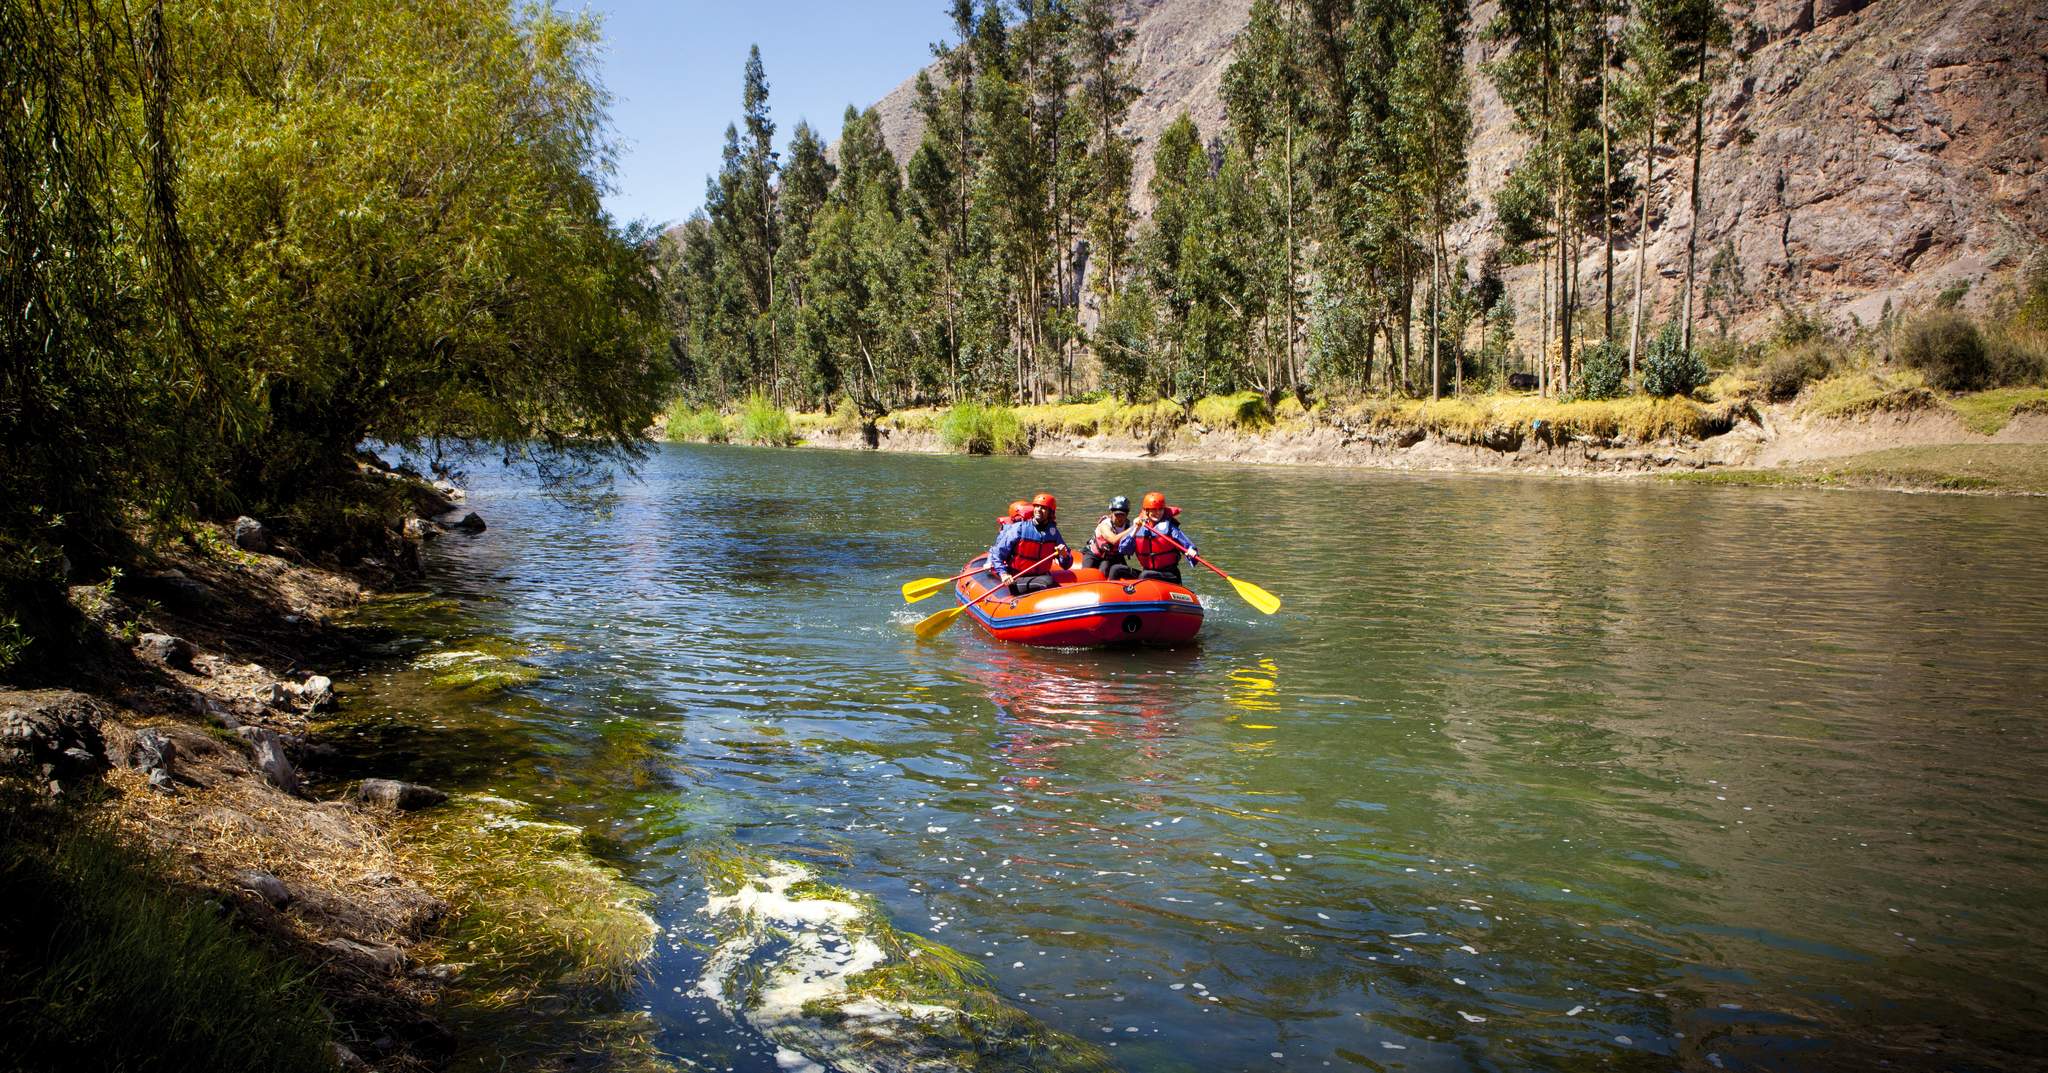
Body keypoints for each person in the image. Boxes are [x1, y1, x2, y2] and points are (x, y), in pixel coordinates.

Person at [991, 492, 1071, 594]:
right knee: (1047, 582)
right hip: (1018, 578)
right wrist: (1003, 574)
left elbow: (1066, 565)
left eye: (1043, 508)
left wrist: (1064, 555)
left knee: (1048, 582)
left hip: (1041, 576)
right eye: (1037, 506)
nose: (1039, 510)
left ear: (1050, 513)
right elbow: (997, 554)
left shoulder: (1053, 533)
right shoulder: (1020, 528)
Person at [1115, 491, 1197, 584]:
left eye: (1160, 509)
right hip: (1148, 573)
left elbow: (1189, 547)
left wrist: (1191, 552)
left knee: (1145, 575)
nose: (1158, 513)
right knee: (1116, 569)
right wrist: (1135, 530)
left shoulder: (1170, 528)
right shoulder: (1138, 527)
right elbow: (1124, 550)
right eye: (1154, 510)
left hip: (1170, 575)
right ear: (1146, 511)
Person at [1082, 495, 1134, 572]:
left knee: (1106, 568)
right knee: (1086, 572)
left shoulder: (1128, 526)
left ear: (1127, 514)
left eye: (1122, 515)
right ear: (1111, 513)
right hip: (1094, 555)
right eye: (1117, 515)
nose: (1119, 518)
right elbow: (1113, 540)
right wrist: (1133, 528)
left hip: (1112, 557)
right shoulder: (1104, 525)